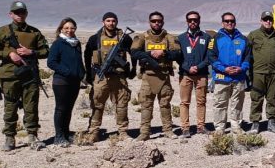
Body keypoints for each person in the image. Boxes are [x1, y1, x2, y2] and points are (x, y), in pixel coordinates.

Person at [0, 1, 50, 151]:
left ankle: (32, 136)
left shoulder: (34, 32)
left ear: (26, 13)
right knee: (10, 108)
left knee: (31, 107)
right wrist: (9, 54)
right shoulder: (2, 31)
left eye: (22, 12)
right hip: (10, 76)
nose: (19, 15)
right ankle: (9, 138)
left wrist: (31, 52)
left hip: (30, 75)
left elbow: (46, 51)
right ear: (11, 14)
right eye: (16, 12)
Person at [83, 12, 133, 141]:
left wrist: (132, 69)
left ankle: (122, 132)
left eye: (113, 21)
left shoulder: (124, 38)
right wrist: (88, 73)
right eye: (108, 21)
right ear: (103, 22)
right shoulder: (95, 38)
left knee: (122, 105)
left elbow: (133, 53)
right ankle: (94, 131)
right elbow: (87, 55)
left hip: (119, 77)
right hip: (101, 77)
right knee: (97, 104)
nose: (111, 23)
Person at [131, 11, 181, 140]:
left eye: (159, 21)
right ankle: (144, 132)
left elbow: (177, 54)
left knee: (165, 104)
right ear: (149, 22)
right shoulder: (142, 37)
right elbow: (134, 53)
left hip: (164, 76)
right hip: (148, 76)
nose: (156, 23)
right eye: (153, 21)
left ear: (163, 22)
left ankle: (168, 130)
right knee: (146, 105)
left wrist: (163, 52)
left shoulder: (169, 37)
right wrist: (150, 54)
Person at [209, 12, 250, 134]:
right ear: (222, 23)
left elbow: (247, 57)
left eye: (232, 21)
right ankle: (220, 128)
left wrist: (241, 68)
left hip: (238, 77)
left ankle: (236, 126)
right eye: (226, 21)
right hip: (222, 76)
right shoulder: (216, 38)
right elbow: (211, 57)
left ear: (235, 23)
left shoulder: (243, 39)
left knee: (237, 103)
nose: (229, 23)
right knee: (220, 103)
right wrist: (223, 69)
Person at [46, 17, 85, 147]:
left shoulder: (76, 43)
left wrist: (81, 73)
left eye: (72, 28)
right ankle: (59, 136)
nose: (69, 30)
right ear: (61, 29)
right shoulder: (58, 43)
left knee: (69, 109)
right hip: (61, 81)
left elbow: (78, 60)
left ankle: (66, 133)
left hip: (75, 81)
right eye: (66, 28)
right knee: (61, 108)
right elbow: (51, 62)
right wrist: (67, 72)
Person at [176, 10, 213, 137]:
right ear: (187, 21)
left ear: (199, 21)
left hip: (201, 74)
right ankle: (185, 128)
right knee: (184, 102)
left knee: (201, 102)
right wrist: (187, 67)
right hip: (185, 75)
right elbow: (178, 57)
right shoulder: (180, 38)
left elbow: (210, 57)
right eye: (190, 20)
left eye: (195, 20)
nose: (193, 22)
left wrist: (198, 66)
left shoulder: (207, 37)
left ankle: (201, 126)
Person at [248, 11, 275, 132]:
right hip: (258, 73)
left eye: (270, 19)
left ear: (273, 21)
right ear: (261, 21)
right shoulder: (253, 35)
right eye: (265, 19)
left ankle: (272, 122)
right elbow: (247, 55)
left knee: (272, 98)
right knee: (256, 98)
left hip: (274, 73)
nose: (268, 21)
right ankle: (255, 123)